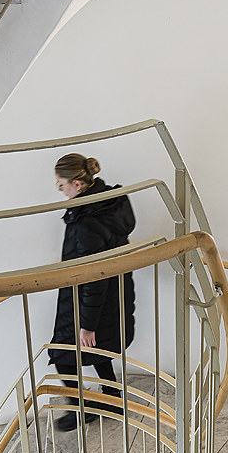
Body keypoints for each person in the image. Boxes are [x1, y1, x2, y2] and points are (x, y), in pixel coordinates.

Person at [49, 153, 136, 431]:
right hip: (115, 292)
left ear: (77, 184)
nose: (61, 190)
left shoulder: (86, 221)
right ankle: (112, 398)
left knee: (63, 354)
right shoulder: (107, 202)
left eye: (61, 185)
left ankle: (80, 407)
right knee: (100, 346)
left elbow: (94, 279)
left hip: (88, 298)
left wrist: (87, 325)